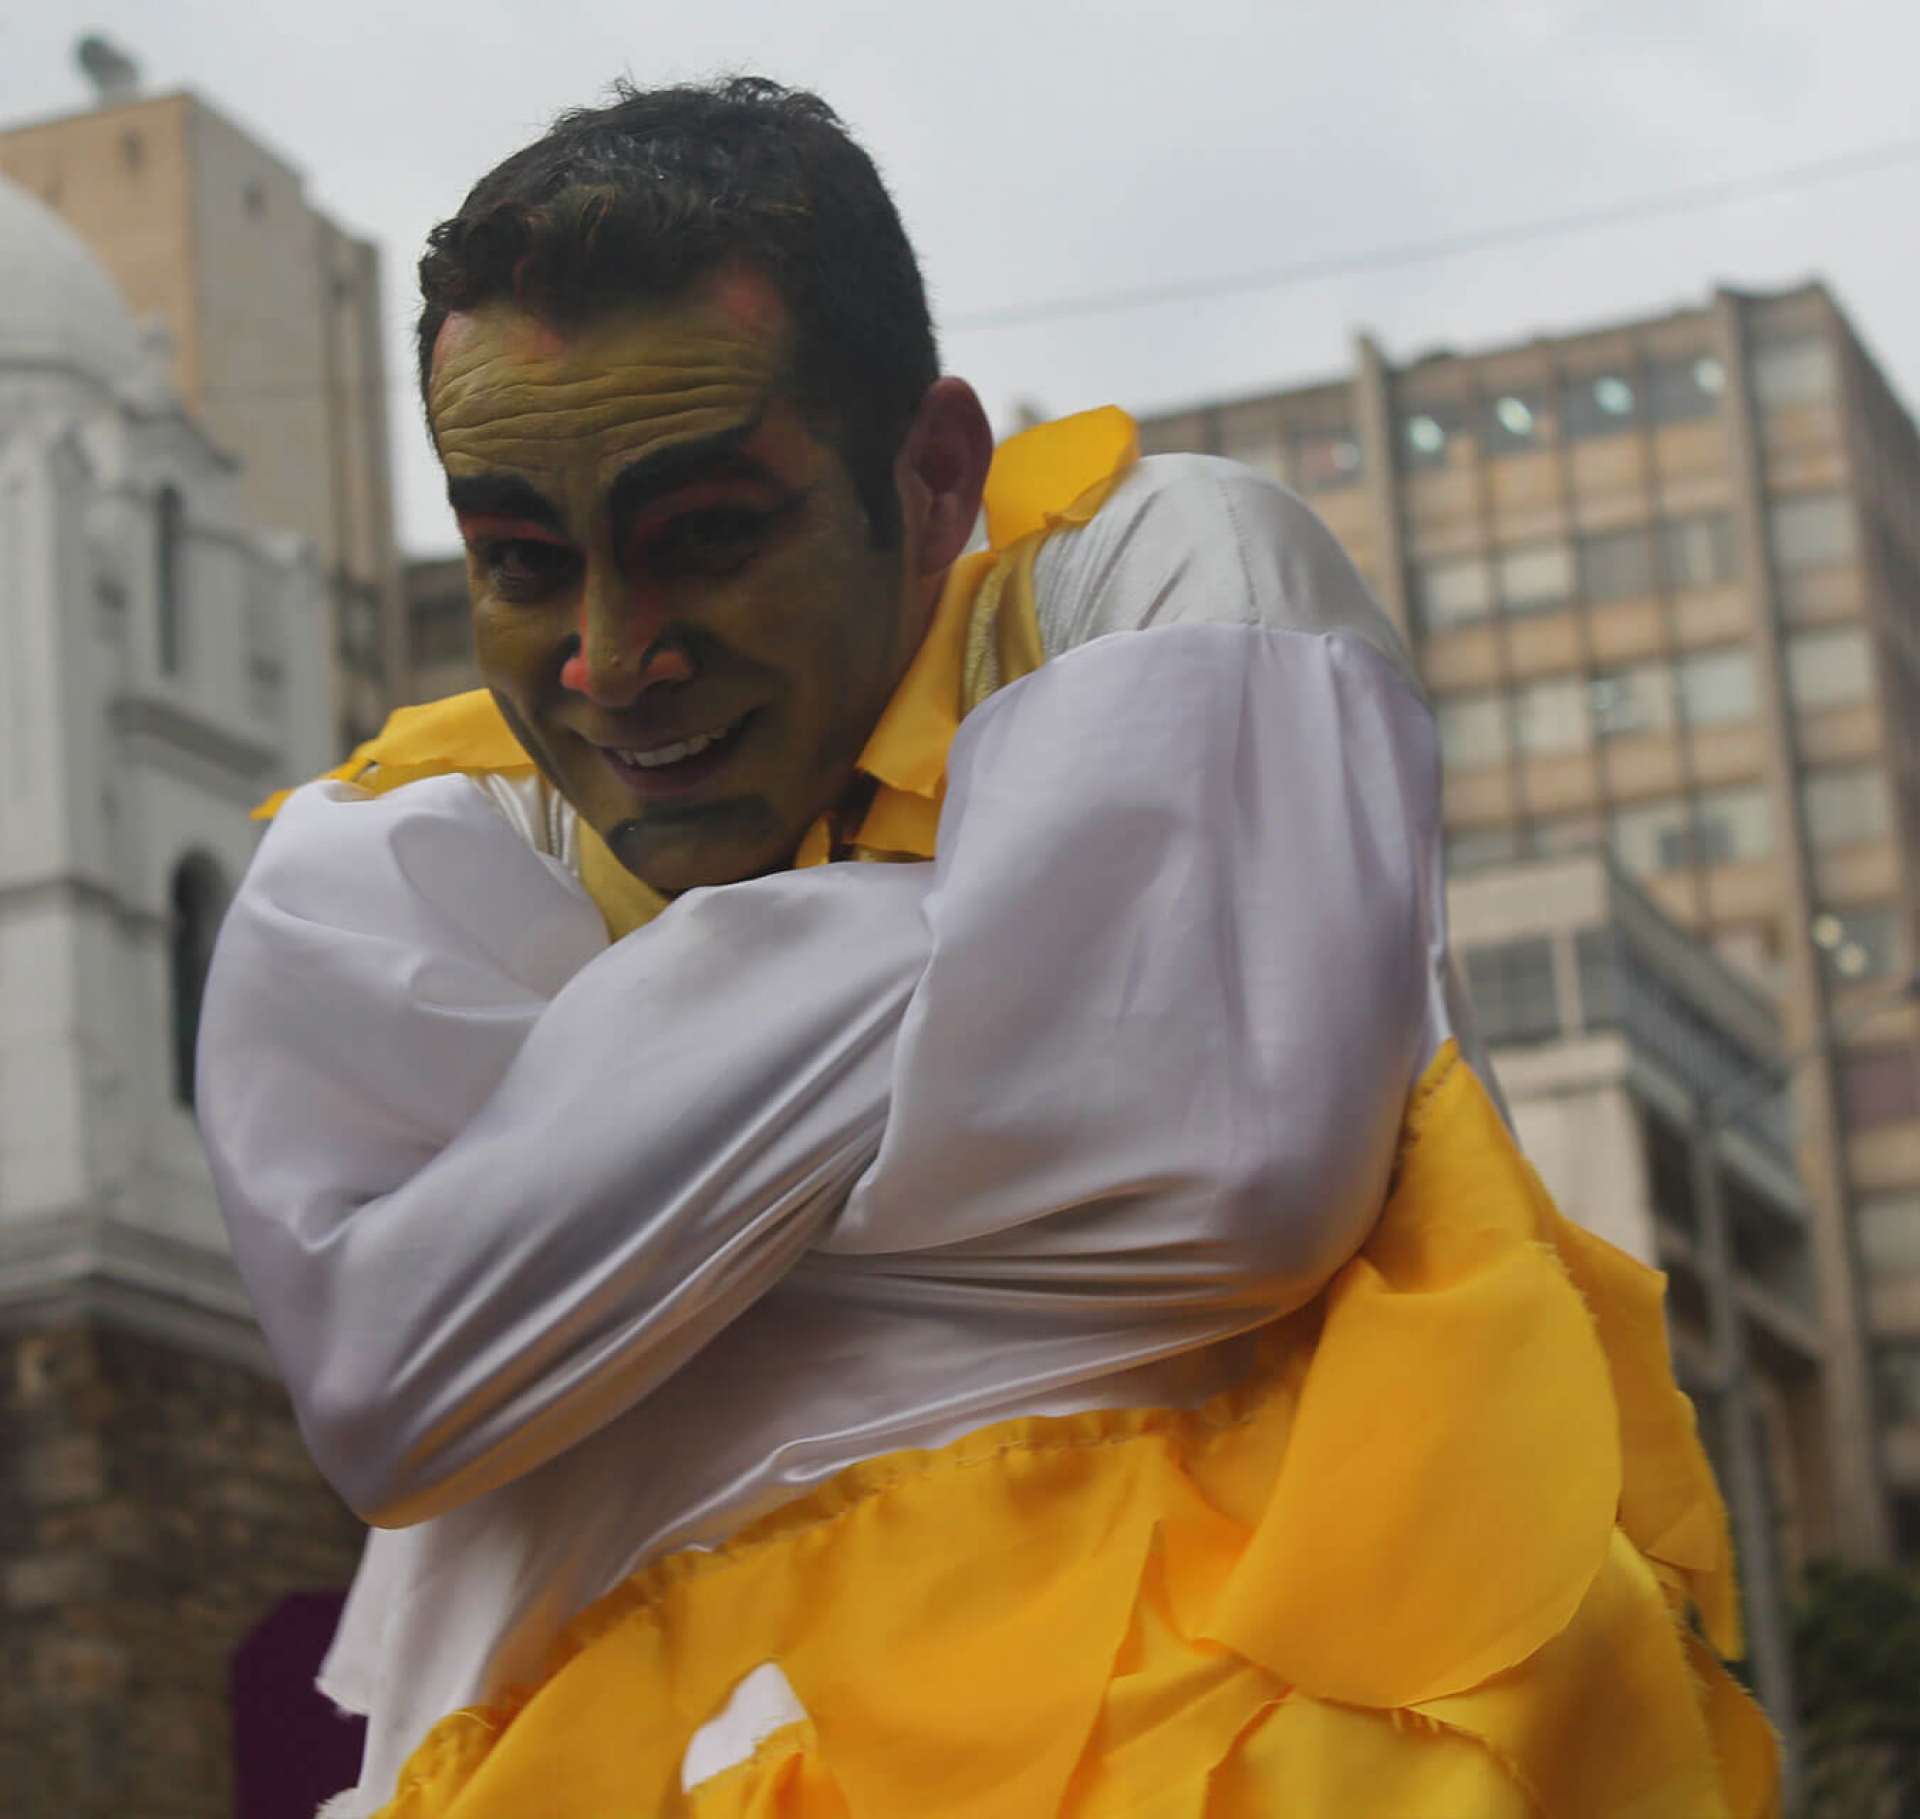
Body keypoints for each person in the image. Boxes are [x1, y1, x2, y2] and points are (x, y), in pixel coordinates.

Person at [199, 77, 1777, 1819]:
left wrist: (626, 1206)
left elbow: (1232, 1176)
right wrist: (1013, 946)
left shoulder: (1156, 567)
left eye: (707, 536)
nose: (613, 657)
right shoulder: (386, 849)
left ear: (936, 476)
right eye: (517, 558)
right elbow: (392, 1377)